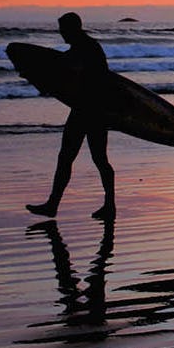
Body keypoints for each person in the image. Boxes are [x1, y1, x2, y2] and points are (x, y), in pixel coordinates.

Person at [28, 12, 116, 220]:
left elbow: (69, 70)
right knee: (90, 159)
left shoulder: (85, 49)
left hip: (89, 111)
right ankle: (106, 205)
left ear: (73, 28)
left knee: (78, 158)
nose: (61, 34)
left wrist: (40, 75)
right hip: (91, 110)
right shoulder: (85, 47)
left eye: (63, 30)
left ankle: (55, 205)